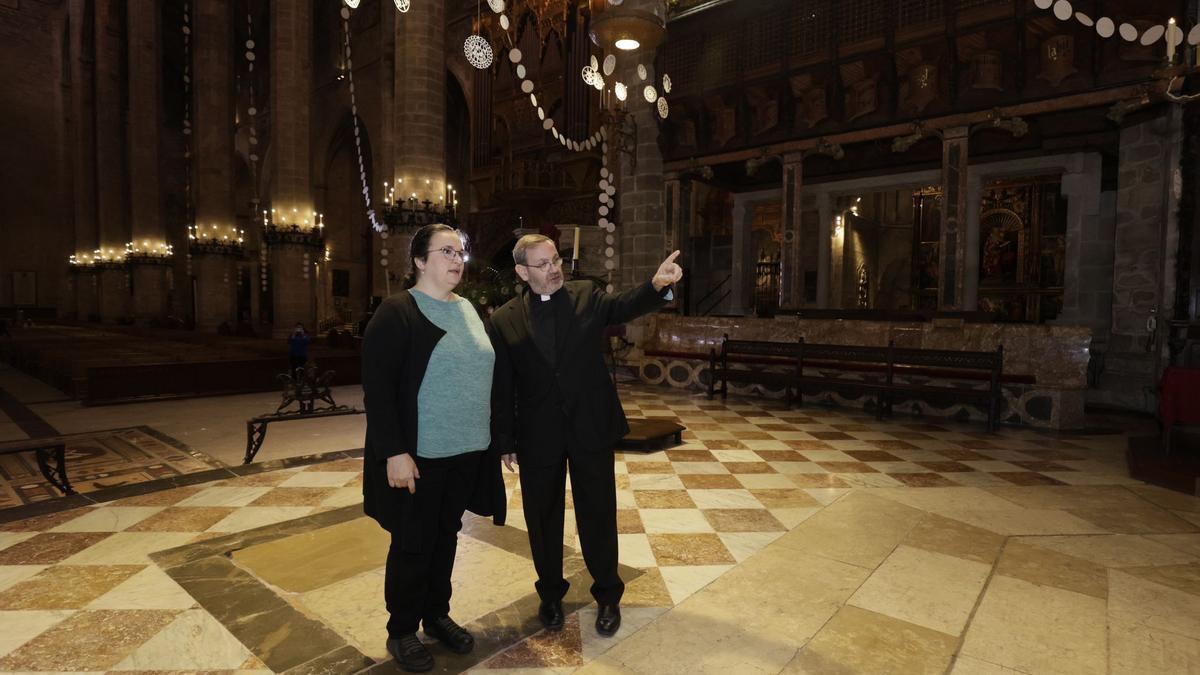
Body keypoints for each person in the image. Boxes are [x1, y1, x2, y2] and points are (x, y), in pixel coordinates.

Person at [490, 234, 683, 637]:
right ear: (523, 272)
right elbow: (502, 383)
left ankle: (608, 594)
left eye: (555, 259)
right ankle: (550, 594)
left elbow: (624, 304)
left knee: (597, 511)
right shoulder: (504, 319)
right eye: (542, 264)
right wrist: (505, 439)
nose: (554, 268)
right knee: (541, 517)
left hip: (588, 426)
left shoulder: (585, 295)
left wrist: (656, 285)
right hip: (537, 432)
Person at [361, 223, 507, 673]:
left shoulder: (468, 310)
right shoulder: (397, 311)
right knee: (412, 542)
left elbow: (487, 378)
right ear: (420, 261)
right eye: (446, 251)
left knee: (445, 537)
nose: (457, 259)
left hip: (466, 451)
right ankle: (402, 628)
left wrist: (498, 441)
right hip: (419, 455)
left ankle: (437, 614)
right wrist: (394, 451)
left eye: (460, 251)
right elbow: (379, 390)